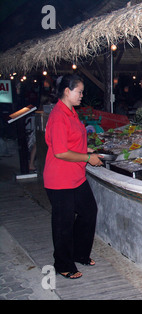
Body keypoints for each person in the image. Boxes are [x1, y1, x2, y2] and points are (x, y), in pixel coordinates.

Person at [43, 74, 103, 279]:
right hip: (59, 179)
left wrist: (89, 150)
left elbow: (73, 141)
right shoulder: (59, 115)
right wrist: (88, 157)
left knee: (89, 212)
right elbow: (60, 152)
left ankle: (79, 253)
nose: (82, 95)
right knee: (63, 223)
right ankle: (62, 264)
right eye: (79, 91)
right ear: (67, 92)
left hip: (76, 176)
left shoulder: (71, 112)